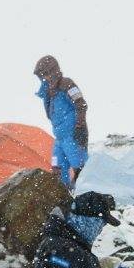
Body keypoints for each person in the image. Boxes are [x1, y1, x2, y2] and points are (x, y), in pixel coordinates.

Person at [34, 56, 89, 187]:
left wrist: (80, 127)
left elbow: (81, 104)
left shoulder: (66, 84)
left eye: (47, 73)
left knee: (80, 168)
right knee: (57, 168)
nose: (45, 78)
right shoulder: (48, 93)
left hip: (72, 135)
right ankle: (64, 197)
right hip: (59, 138)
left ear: (54, 70)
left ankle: (84, 196)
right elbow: (50, 115)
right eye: (43, 75)